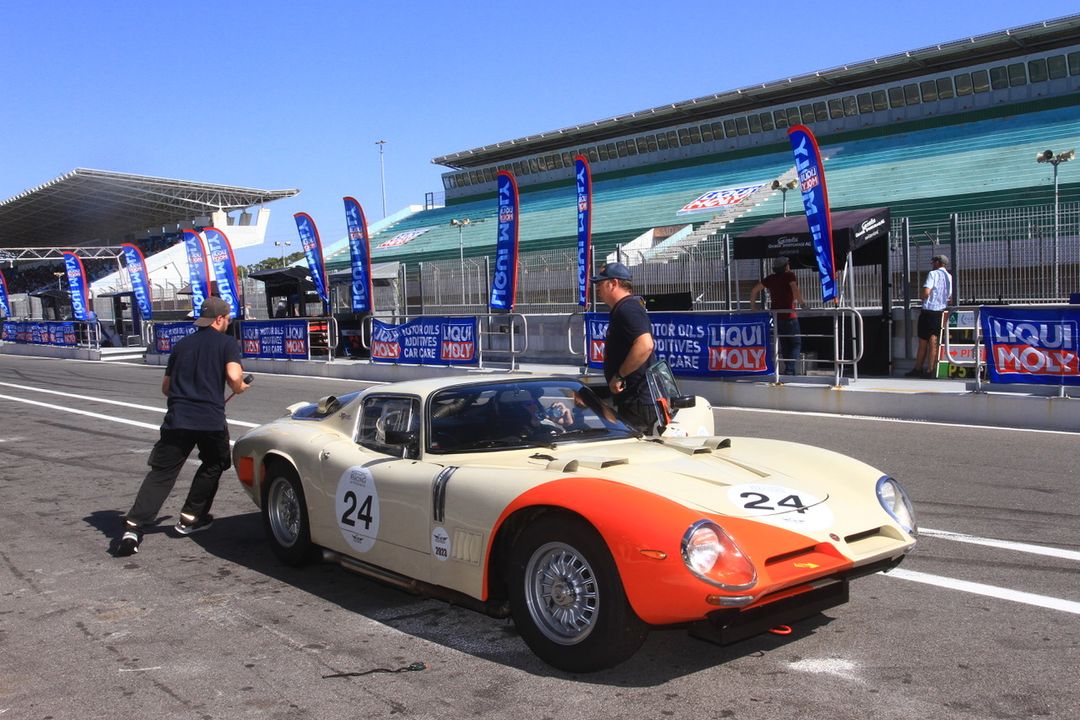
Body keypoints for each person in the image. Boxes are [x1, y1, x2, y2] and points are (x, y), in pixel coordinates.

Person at [115, 296, 250, 556]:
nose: (228, 322)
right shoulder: (227, 343)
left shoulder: (182, 345)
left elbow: (166, 388)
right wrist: (241, 386)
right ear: (220, 319)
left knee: (162, 473)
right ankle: (191, 517)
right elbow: (235, 378)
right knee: (214, 463)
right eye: (228, 318)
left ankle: (133, 526)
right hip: (209, 421)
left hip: (177, 418)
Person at [592, 262, 657, 433]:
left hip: (638, 401)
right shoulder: (624, 308)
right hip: (633, 400)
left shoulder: (627, 308)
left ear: (613, 283)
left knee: (638, 452)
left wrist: (620, 375)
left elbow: (645, 345)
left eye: (600, 284)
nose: (597, 289)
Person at [750, 256, 804, 375]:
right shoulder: (789, 275)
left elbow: (754, 290)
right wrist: (803, 304)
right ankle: (790, 369)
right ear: (785, 266)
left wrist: (753, 307)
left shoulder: (770, 278)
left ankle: (788, 369)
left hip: (776, 316)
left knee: (784, 344)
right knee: (796, 343)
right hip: (790, 315)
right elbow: (795, 289)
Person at [906, 254, 953, 379]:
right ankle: (931, 370)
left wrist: (922, 297)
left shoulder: (933, 274)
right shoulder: (949, 277)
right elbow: (950, 297)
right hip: (940, 312)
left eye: (934, 262)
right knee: (934, 340)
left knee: (923, 341)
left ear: (938, 263)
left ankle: (918, 368)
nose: (932, 264)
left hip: (928, 311)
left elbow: (926, 292)